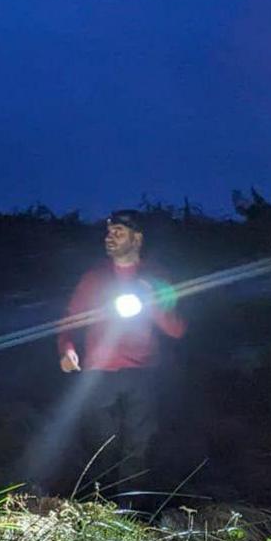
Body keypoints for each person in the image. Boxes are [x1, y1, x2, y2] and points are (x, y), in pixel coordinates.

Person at [57, 210, 186, 502]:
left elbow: (176, 329)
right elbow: (71, 318)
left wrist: (152, 301)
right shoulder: (95, 277)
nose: (110, 237)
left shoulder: (156, 277)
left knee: (139, 446)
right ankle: (100, 507)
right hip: (98, 374)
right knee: (102, 444)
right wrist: (67, 349)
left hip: (143, 374)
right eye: (108, 232)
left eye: (118, 232)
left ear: (137, 238)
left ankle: (130, 513)